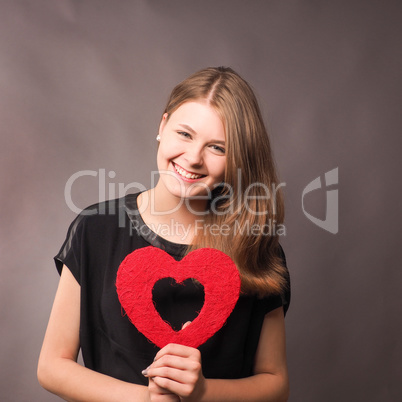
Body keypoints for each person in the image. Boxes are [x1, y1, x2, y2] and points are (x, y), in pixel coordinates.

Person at [38, 66, 291, 401]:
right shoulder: (95, 228)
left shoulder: (255, 245)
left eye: (217, 148)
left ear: (236, 160)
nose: (193, 158)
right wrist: (146, 399)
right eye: (185, 134)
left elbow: (275, 384)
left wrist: (202, 391)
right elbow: (52, 366)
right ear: (163, 126)